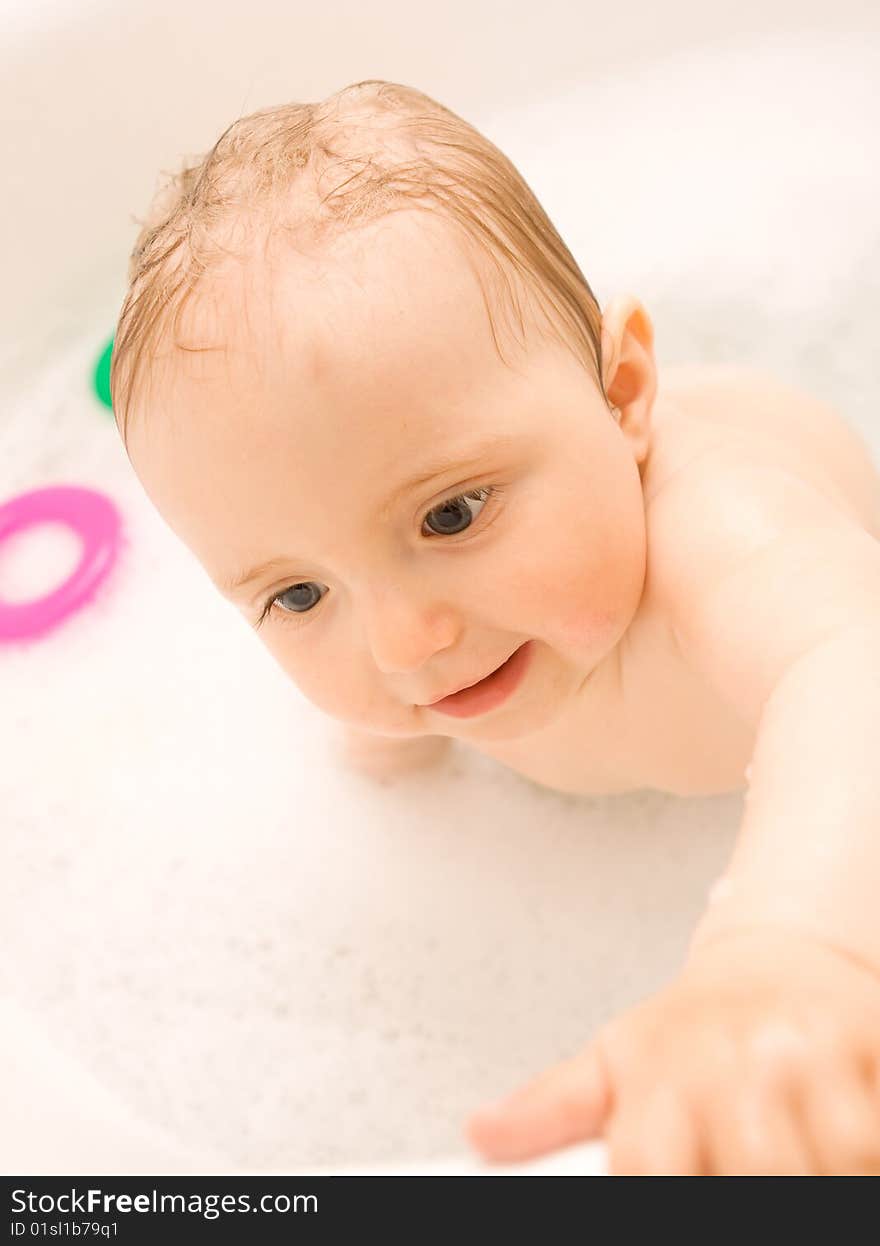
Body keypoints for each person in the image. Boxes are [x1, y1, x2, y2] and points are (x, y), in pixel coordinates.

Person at [110, 80, 880, 1174]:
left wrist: (793, 949)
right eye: (296, 594)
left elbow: (851, 666)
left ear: (623, 393)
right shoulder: (437, 651)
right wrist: (383, 758)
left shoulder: (724, 535)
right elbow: (382, 726)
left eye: (452, 513)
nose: (400, 641)